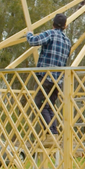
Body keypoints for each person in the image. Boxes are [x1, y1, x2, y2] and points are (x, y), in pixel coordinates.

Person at [26, 14, 71, 145]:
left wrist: (29, 34)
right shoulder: (67, 41)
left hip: (45, 76)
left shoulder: (50, 34)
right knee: (50, 107)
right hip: (58, 80)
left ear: (53, 23)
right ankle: (54, 134)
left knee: (40, 105)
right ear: (65, 26)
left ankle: (50, 134)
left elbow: (33, 41)